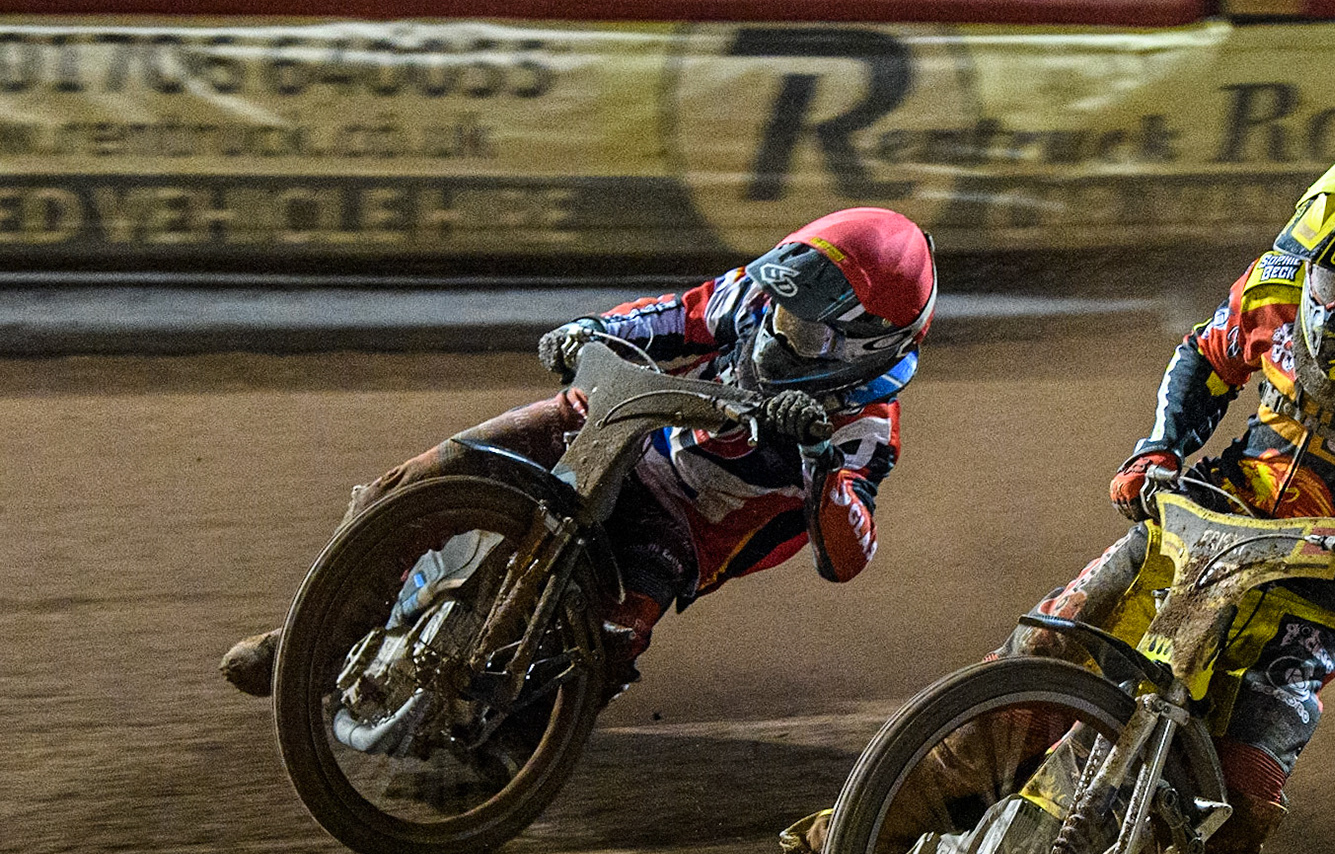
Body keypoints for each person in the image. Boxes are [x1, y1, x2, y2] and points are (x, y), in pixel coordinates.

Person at [755, 137, 1335, 854]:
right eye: (1334, 279)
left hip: (1310, 595)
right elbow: (1203, 359)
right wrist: (1157, 449)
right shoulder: (1280, 285)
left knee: (1244, 792)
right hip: (1193, 525)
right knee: (1034, 662)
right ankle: (833, 851)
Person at [220, 206, 936, 697]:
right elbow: (672, 315)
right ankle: (314, 637)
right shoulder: (756, 295)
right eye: (786, 307)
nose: (783, 330)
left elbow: (850, 555)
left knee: (615, 633)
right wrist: (588, 329)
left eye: (809, 329)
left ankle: (522, 750)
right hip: (613, 423)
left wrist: (817, 454)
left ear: (864, 345)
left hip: (685, 524)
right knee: (424, 478)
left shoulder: (867, 427)